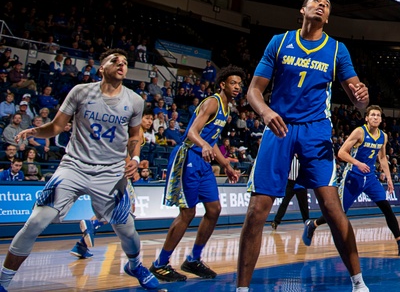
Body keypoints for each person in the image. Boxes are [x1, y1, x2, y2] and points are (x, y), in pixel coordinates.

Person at [236, 0, 370, 292]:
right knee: (257, 210)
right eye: (316, 1)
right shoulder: (279, 42)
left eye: (327, 4)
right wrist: (266, 112)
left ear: (328, 17)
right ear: (303, 10)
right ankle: (241, 289)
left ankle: (359, 283)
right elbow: (253, 92)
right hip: (279, 127)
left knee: (332, 209)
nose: (321, 5)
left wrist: (363, 99)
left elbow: (358, 97)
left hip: (315, 132)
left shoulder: (337, 49)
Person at [0, 49, 158, 292]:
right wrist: (35, 132)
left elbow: (135, 135)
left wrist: (135, 157)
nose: (121, 64)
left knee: (127, 230)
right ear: (101, 68)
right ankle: (3, 281)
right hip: (74, 166)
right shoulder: (80, 92)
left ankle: (135, 265)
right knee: (35, 221)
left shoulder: (135, 101)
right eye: (115, 60)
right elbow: (56, 126)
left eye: (125, 62)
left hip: (111, 172)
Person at [151, 66, 246, 281]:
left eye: (239, 84)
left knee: (214, 210)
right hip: (188, 156)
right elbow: (191, 132)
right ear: (222, 84)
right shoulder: (212, 102)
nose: (237, 87)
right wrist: (203, 145)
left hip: (203, 159)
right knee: (188, 213)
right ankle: (160, 263)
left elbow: (211, 143)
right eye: (233, 83)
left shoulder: (227, 108)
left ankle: (193, 259)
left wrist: (226, 166)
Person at [302, 105, 400, 256]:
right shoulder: (359, 132)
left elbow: (382, 158)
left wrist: (389, 178)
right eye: (372, 115)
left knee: (386, 208)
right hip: (353, 177)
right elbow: (341, 153)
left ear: (381, 119)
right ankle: (313, 224)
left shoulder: (383, 136)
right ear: (367, 118)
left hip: (370, 178)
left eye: (378, 115)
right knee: (338, 213)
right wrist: (357, 163)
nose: (375, 117)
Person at [270, 154, 310, 230]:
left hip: (301, 183)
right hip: (290, 183)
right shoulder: (289, 156)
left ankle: (307, 223)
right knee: (284, 203)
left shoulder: (303, 157)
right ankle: (276, 222)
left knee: (304, 205)